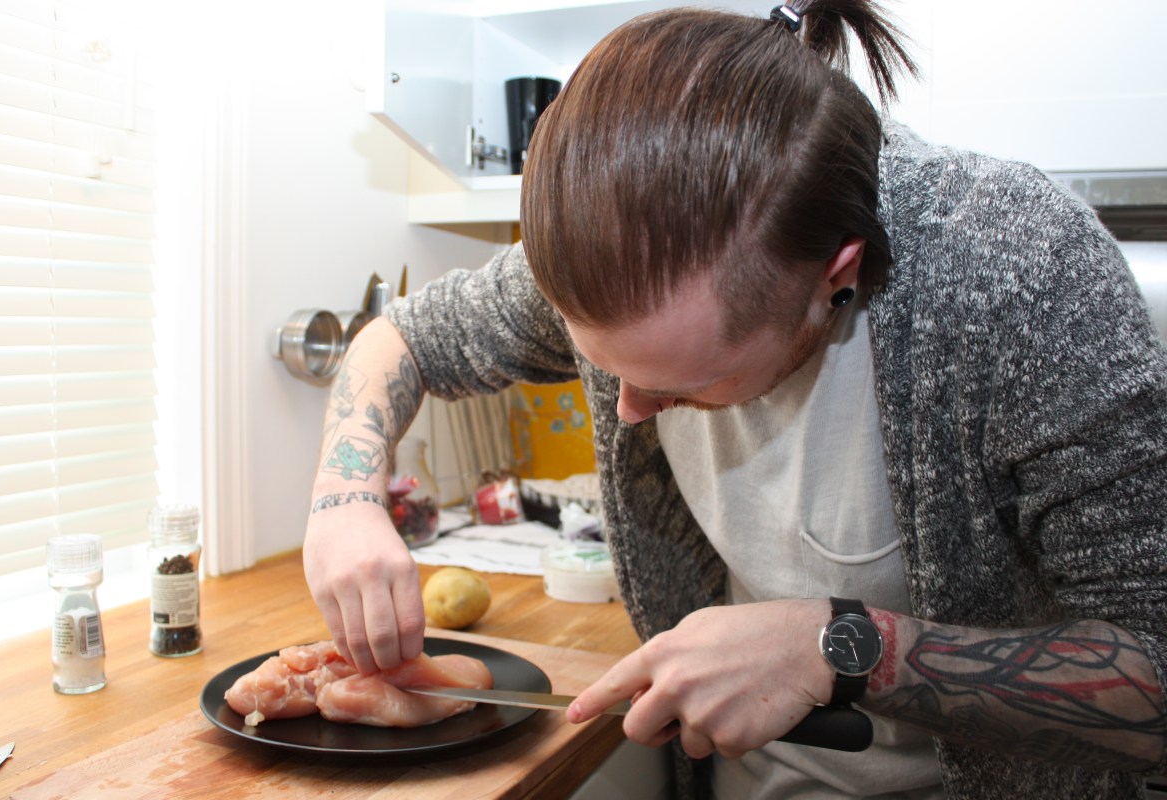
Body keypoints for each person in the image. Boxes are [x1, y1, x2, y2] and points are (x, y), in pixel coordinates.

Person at [303, 2, 1167, 797]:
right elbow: (401, 337)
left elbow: (1155, 672)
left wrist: (841, 649)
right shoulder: (621, 249)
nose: (626, 410)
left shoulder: (1019, 274)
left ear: (835, 275)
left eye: (683, 383)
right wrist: (344, 499)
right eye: (603, 366)